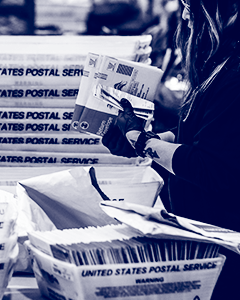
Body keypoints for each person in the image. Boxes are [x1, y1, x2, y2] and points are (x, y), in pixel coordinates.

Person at [101, 0, 240, 298]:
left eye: (192, 5)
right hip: (203, 245)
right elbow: (206, 136)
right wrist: (150, 140)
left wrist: (142, 140)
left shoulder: (236, 75)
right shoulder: (223, 62)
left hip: (227, 257)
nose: (186, 15)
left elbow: (211, 166)